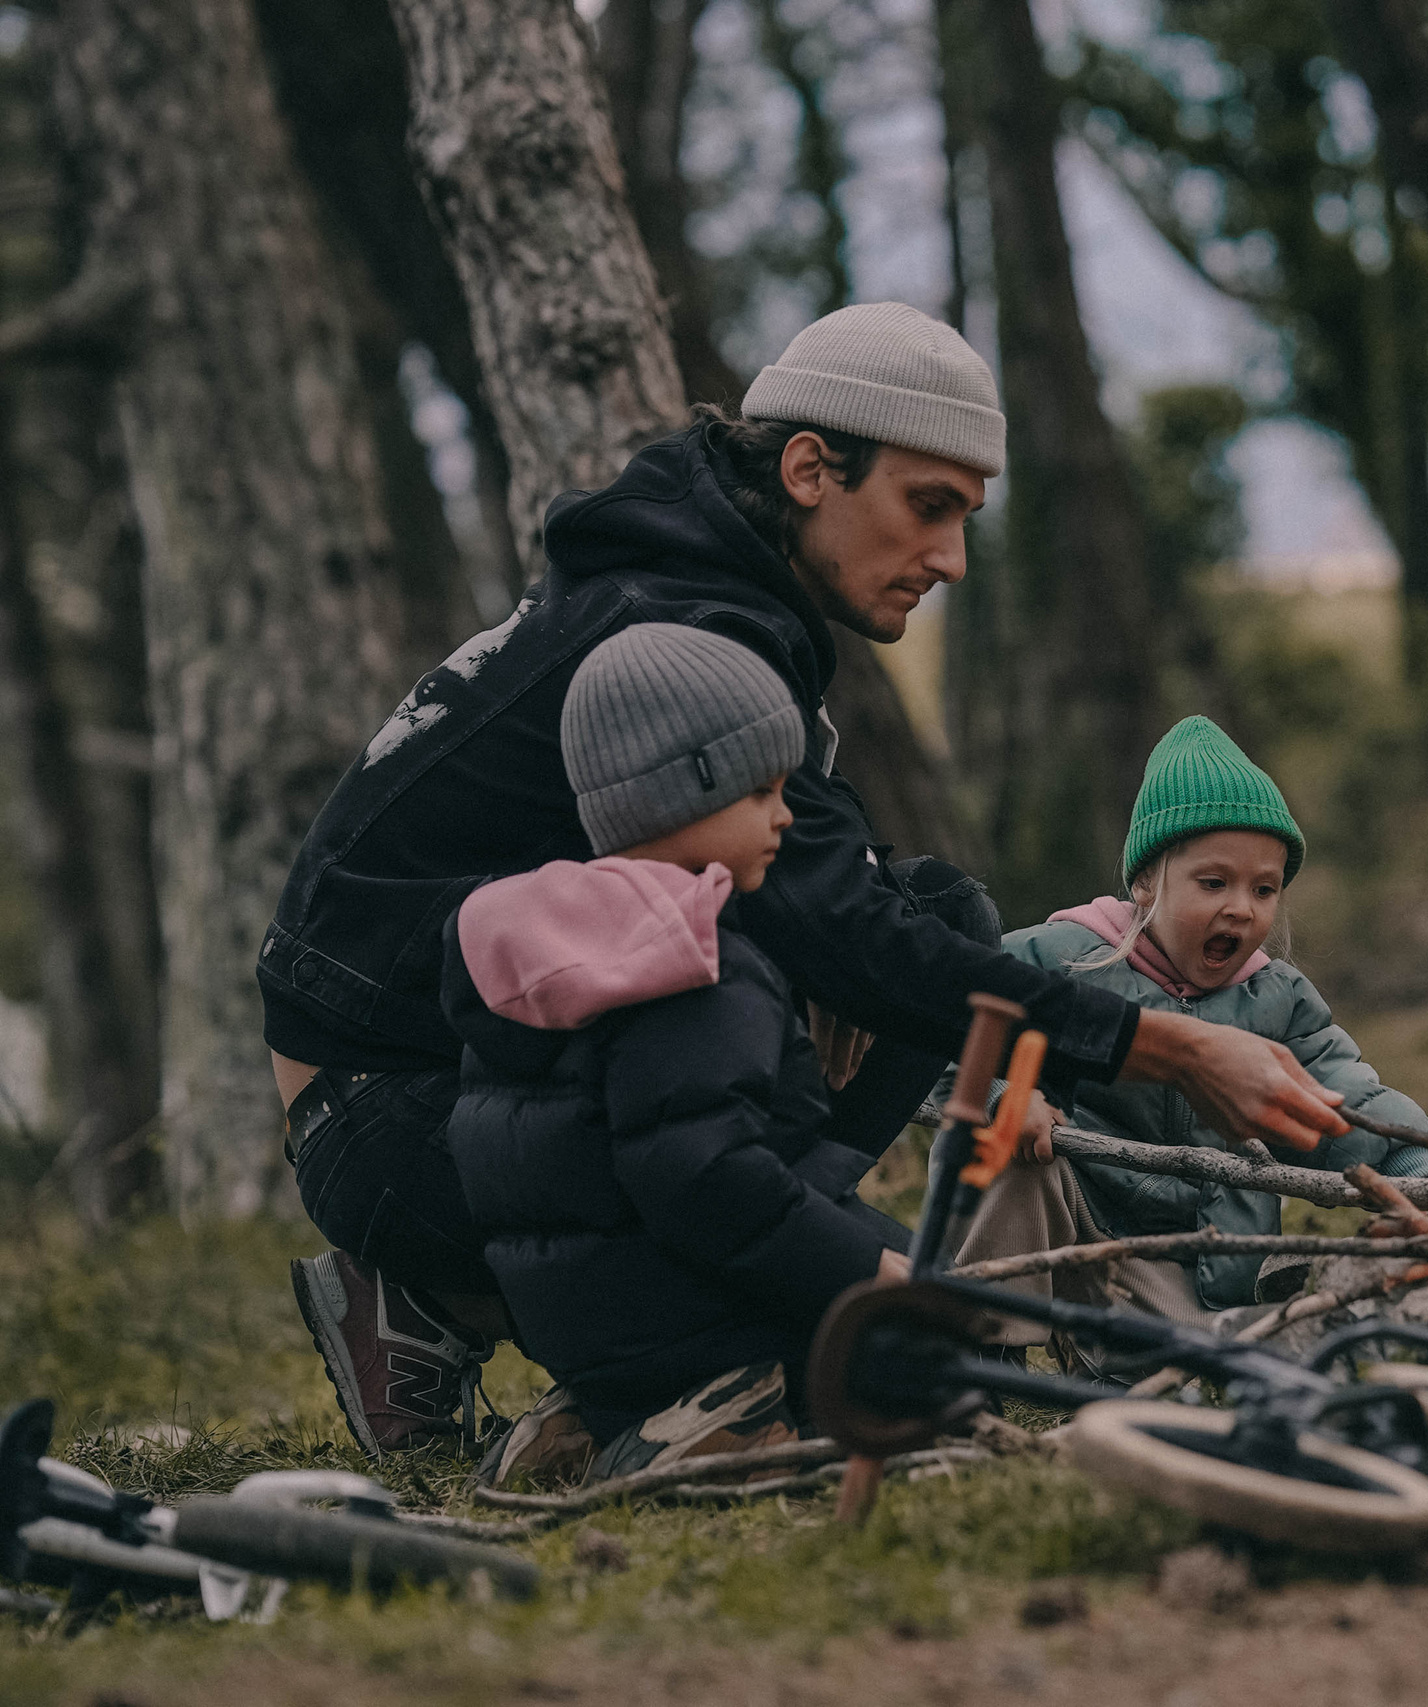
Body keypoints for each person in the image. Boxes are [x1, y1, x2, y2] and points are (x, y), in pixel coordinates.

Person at [262, 303, 1350, 1458]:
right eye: (927, 508)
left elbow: (867, 917)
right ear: (809, 468)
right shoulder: (688, 627)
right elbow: (849, 939)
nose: (950, 559)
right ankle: (670, 1369)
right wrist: (1173, 1049)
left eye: (968, 519)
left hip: (442, 1089)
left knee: (926, 916)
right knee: (820, 1001)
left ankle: (496, 1315)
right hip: (390, 1118)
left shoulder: (703, 586)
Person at [443, 625, 901, 1481]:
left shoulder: (555, 944)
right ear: (685, 791)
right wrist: (870, 1270)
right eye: (761, 789)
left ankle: (599, 1414)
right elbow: (710, 1182)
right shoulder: (683, 964)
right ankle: (715, 1417)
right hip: (692, 1310)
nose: (785, 814)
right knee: (927, 1342)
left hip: (589, 1320)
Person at [950, 716, 1428, 1362]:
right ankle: (980, 1349)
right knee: (1012, 1148)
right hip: (1080, 1225)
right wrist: (1003, 1095)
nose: (1242, 907)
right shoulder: (1068, 960)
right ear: (1146, 882)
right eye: (1214, 883)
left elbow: (1349, 1095)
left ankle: (1124, 1358)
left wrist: (1420, 1179)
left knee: (1233, 1366)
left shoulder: (1278, 1002)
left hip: (1196, 1267)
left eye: (1264, 889)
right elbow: (953, 1026)